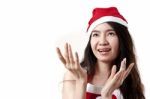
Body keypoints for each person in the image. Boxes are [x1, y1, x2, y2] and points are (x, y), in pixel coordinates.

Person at [56, 7, 145, 99]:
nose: (102, 42)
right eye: (96, 34)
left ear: (122, 39)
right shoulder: (73, 76)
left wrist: (107, 95)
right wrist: (81, 82)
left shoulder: (133, 85)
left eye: (111, 34)